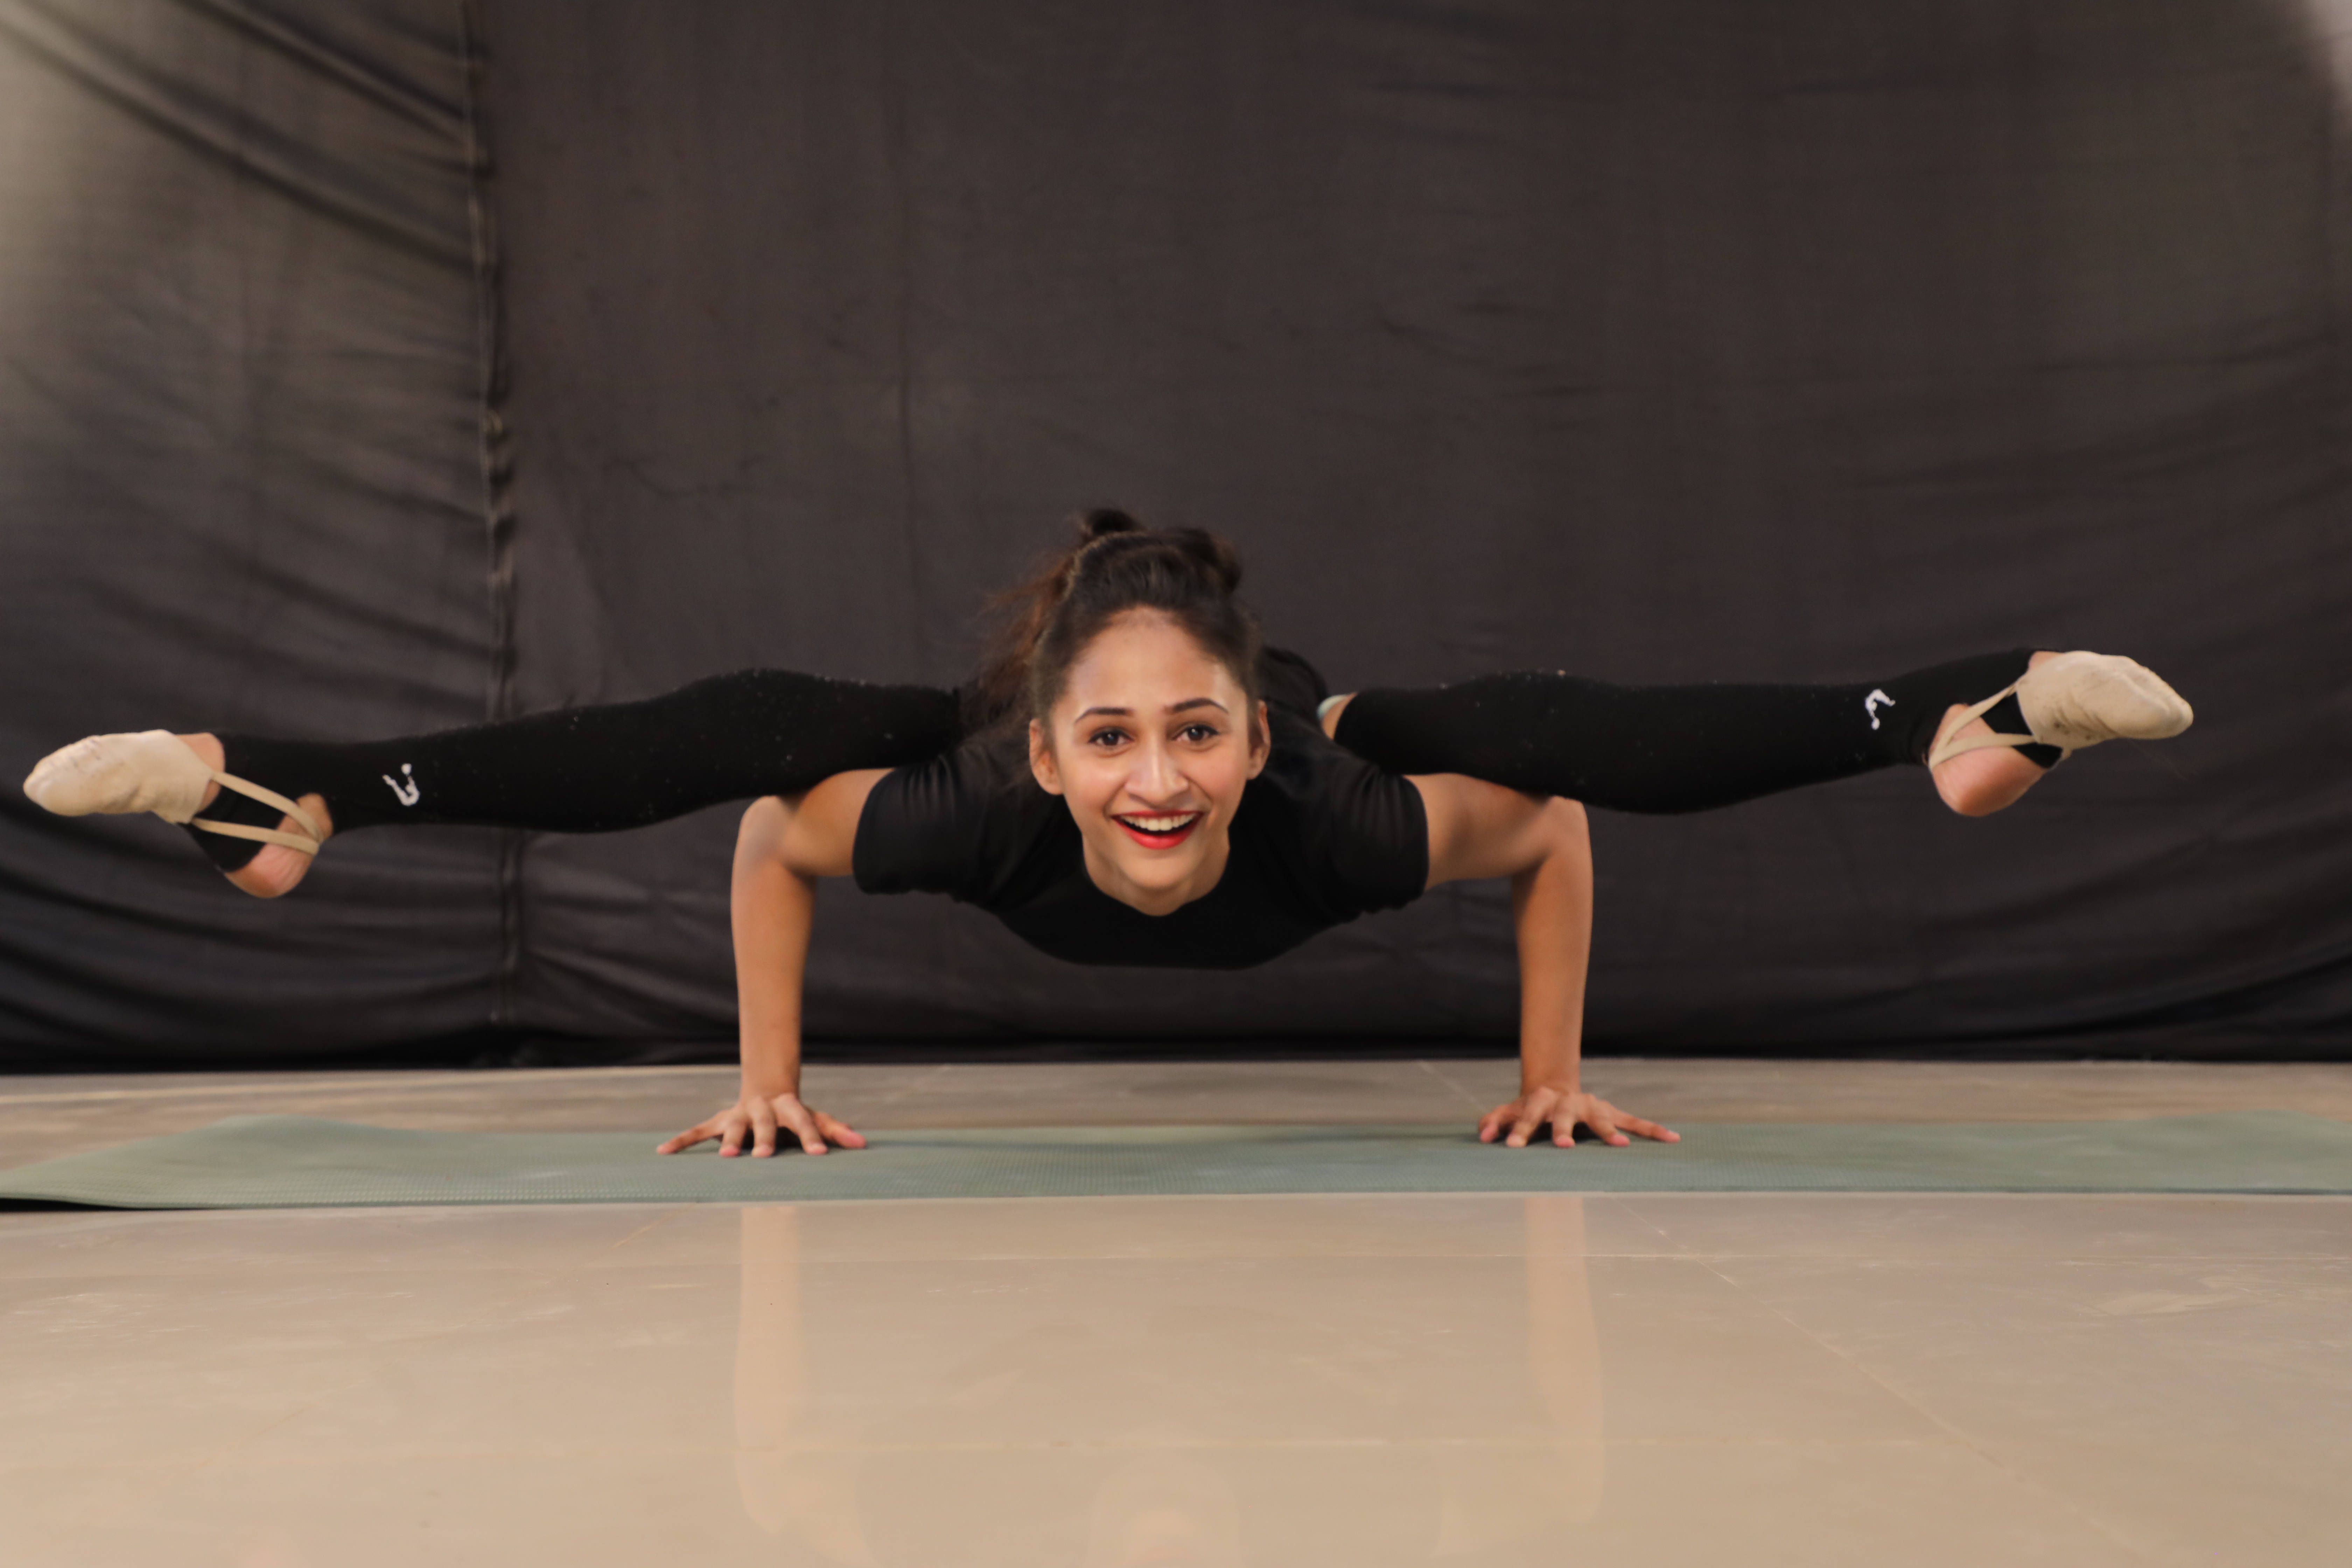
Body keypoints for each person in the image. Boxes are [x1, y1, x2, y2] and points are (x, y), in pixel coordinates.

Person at [23, 512, 2194, 1157]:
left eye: (1193, 734)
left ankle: (1959, 725)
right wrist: (764, 1091)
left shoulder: (1329, 818)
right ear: (1054, 760)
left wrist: (1550, 1080)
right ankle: (284, 805)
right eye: (1115, 741)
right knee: (773, 731)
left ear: (1240, 740)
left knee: (1506, 730)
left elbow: (1551, 832)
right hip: (963, 750)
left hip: (1351, 735)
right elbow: (769, 839)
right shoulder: (981, 807)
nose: (1158, 778)